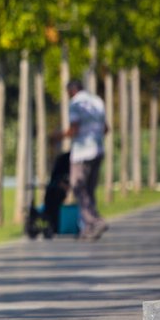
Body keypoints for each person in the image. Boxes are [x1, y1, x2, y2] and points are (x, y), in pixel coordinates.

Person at [60, 79, 108, 240]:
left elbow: (74, 129)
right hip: (98, 149)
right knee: (89, 189)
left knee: (77, 186)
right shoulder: (97, 101)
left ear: (71, 91)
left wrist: (58, 136)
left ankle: (94, 220)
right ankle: (88, 228)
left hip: (82, 152)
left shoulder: (75, 104)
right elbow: (106, 128)